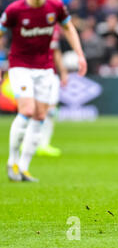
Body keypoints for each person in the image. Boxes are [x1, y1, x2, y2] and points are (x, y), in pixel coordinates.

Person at [0, 0, 87, 182]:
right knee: (27, 110)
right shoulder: (14, 10)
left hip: (45, 68)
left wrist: (79, 54)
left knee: (40, 115)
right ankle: (12, 162)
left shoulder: (56, 7)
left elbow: (68, 28)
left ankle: (24, 167)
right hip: (20, 65)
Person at [35, 24, 68, 157]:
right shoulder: (32, 22)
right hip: (32, 71)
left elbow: (56, 51)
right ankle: (30, 141)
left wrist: (63, 71)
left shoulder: (54, 27)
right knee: (32, 109)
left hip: (50, 73)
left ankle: (44, 144)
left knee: (50, 111)